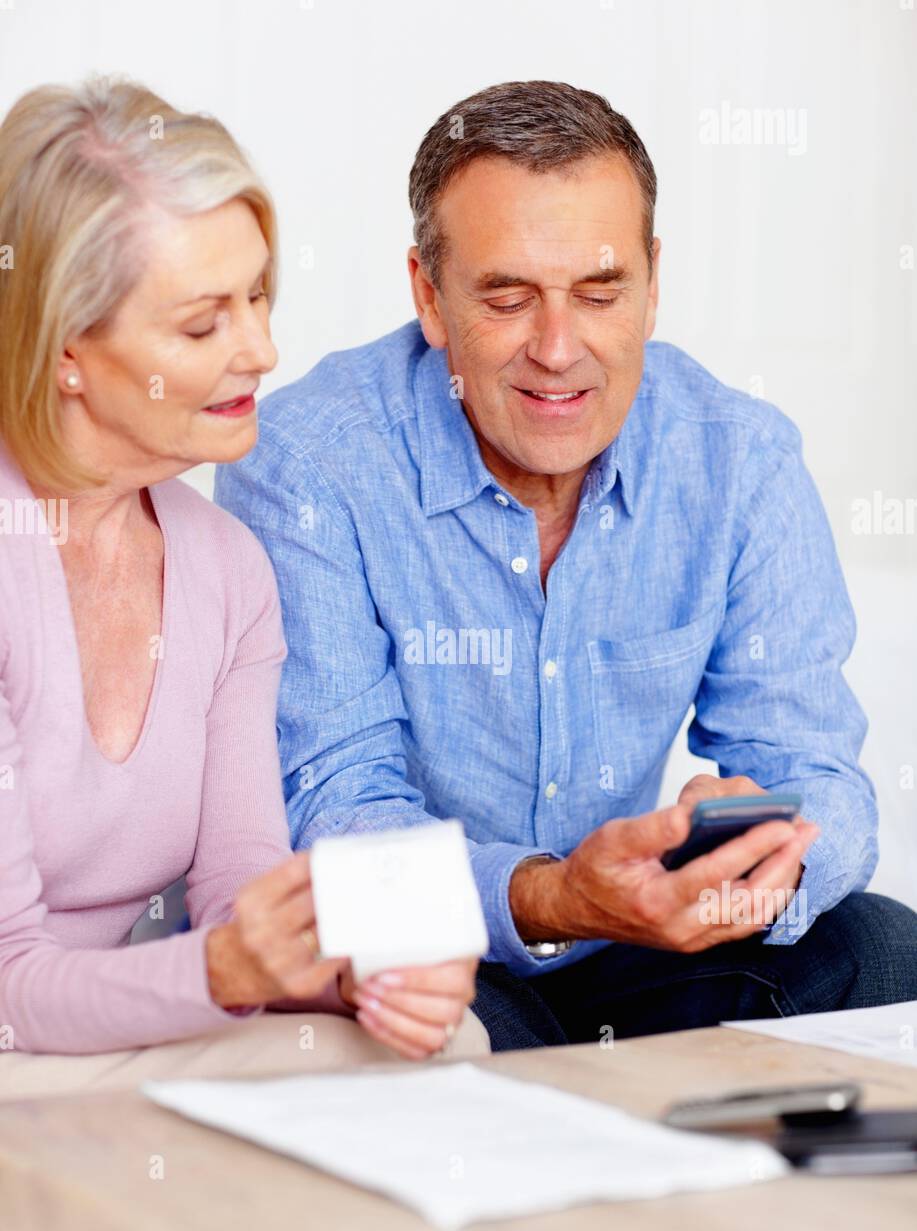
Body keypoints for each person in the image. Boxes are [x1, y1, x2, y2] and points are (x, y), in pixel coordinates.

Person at [216, 80, 917, 1051]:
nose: (557, 350)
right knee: (429, 1038)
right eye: (506, 298)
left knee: (882, 951)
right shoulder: (308, 464)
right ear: (428, 293)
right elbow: (339, 810)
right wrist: (553, 897)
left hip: (639, 947)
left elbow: (813, 773)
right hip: (432, 952)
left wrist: (754, 855)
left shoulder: (738, 458)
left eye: (598, 292)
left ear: (651, 281)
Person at [0, 76, 479, 1061]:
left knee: (445, 1043)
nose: (261, 348)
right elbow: (13, 985)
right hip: (21, 1035)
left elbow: (238, 894)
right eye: (200, 322)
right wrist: (226, 971)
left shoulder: (226, 568)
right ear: (65, 350)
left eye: (257, 294)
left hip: (117, 1026)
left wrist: (351, 966)